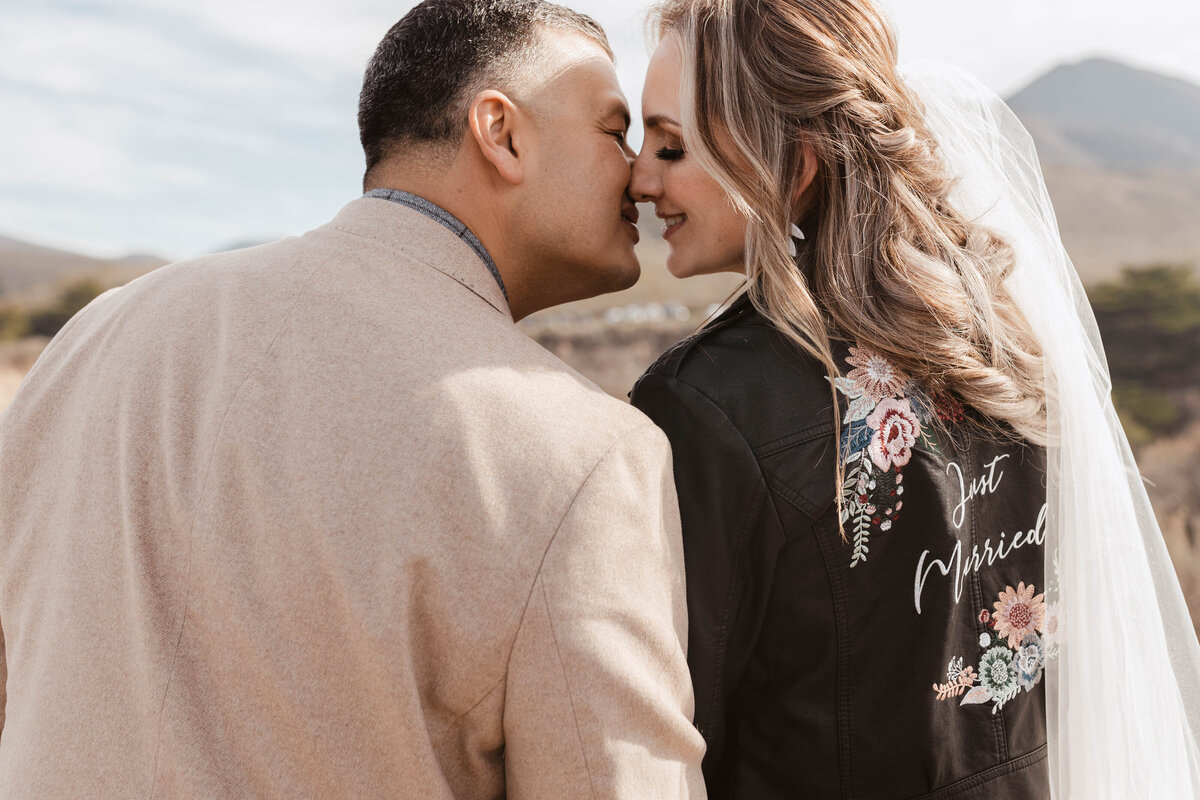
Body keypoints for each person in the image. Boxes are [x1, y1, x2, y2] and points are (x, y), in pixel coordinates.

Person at [0, 1, 707, 796]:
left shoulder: (91, 339)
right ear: (502, 133)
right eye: (616, 131)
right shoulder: (585, 454)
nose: (643, 174)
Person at [628, 0, 1200, 797]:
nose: (640, 177)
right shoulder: (1003, 346)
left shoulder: (705, 408)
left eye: (670, 144)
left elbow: (668, 732)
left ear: (790, 164)